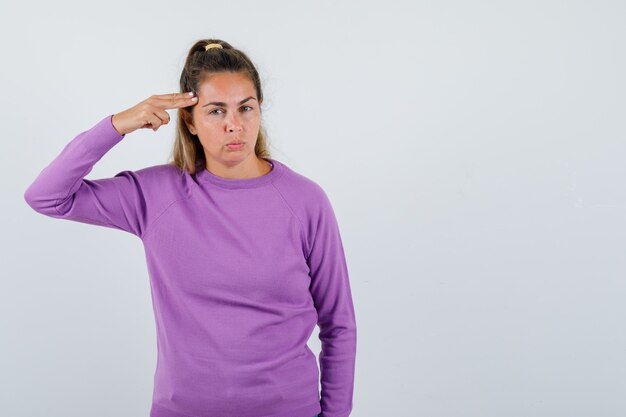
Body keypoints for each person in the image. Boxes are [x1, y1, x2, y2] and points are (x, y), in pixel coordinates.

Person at [23, 39, 356, 417]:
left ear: (259, 110)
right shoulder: (155, 195)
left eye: (246, 108)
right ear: (190, 121)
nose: (235, 125)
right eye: (216, 111)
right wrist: (118, 125)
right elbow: (47, 197)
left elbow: (339, 324)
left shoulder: (305, 201)